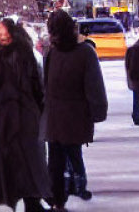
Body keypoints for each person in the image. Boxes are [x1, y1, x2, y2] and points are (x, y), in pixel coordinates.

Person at [0, 18, 50, 212]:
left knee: (13, 160)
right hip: (25, 114)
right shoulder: (26, 53)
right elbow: (38, 86)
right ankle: (31, 201)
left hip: (7, 117)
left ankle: (21, 199)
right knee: (30, 158)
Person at [42, 10, 108, 208]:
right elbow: (94, 86)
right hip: (73, 116)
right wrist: (97, 112)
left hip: (57, 117)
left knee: (57, 159)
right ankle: (71, 190)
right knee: (69, 154)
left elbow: (45, 85)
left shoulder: (54, 53)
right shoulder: (83, 53)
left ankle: (59, 198)